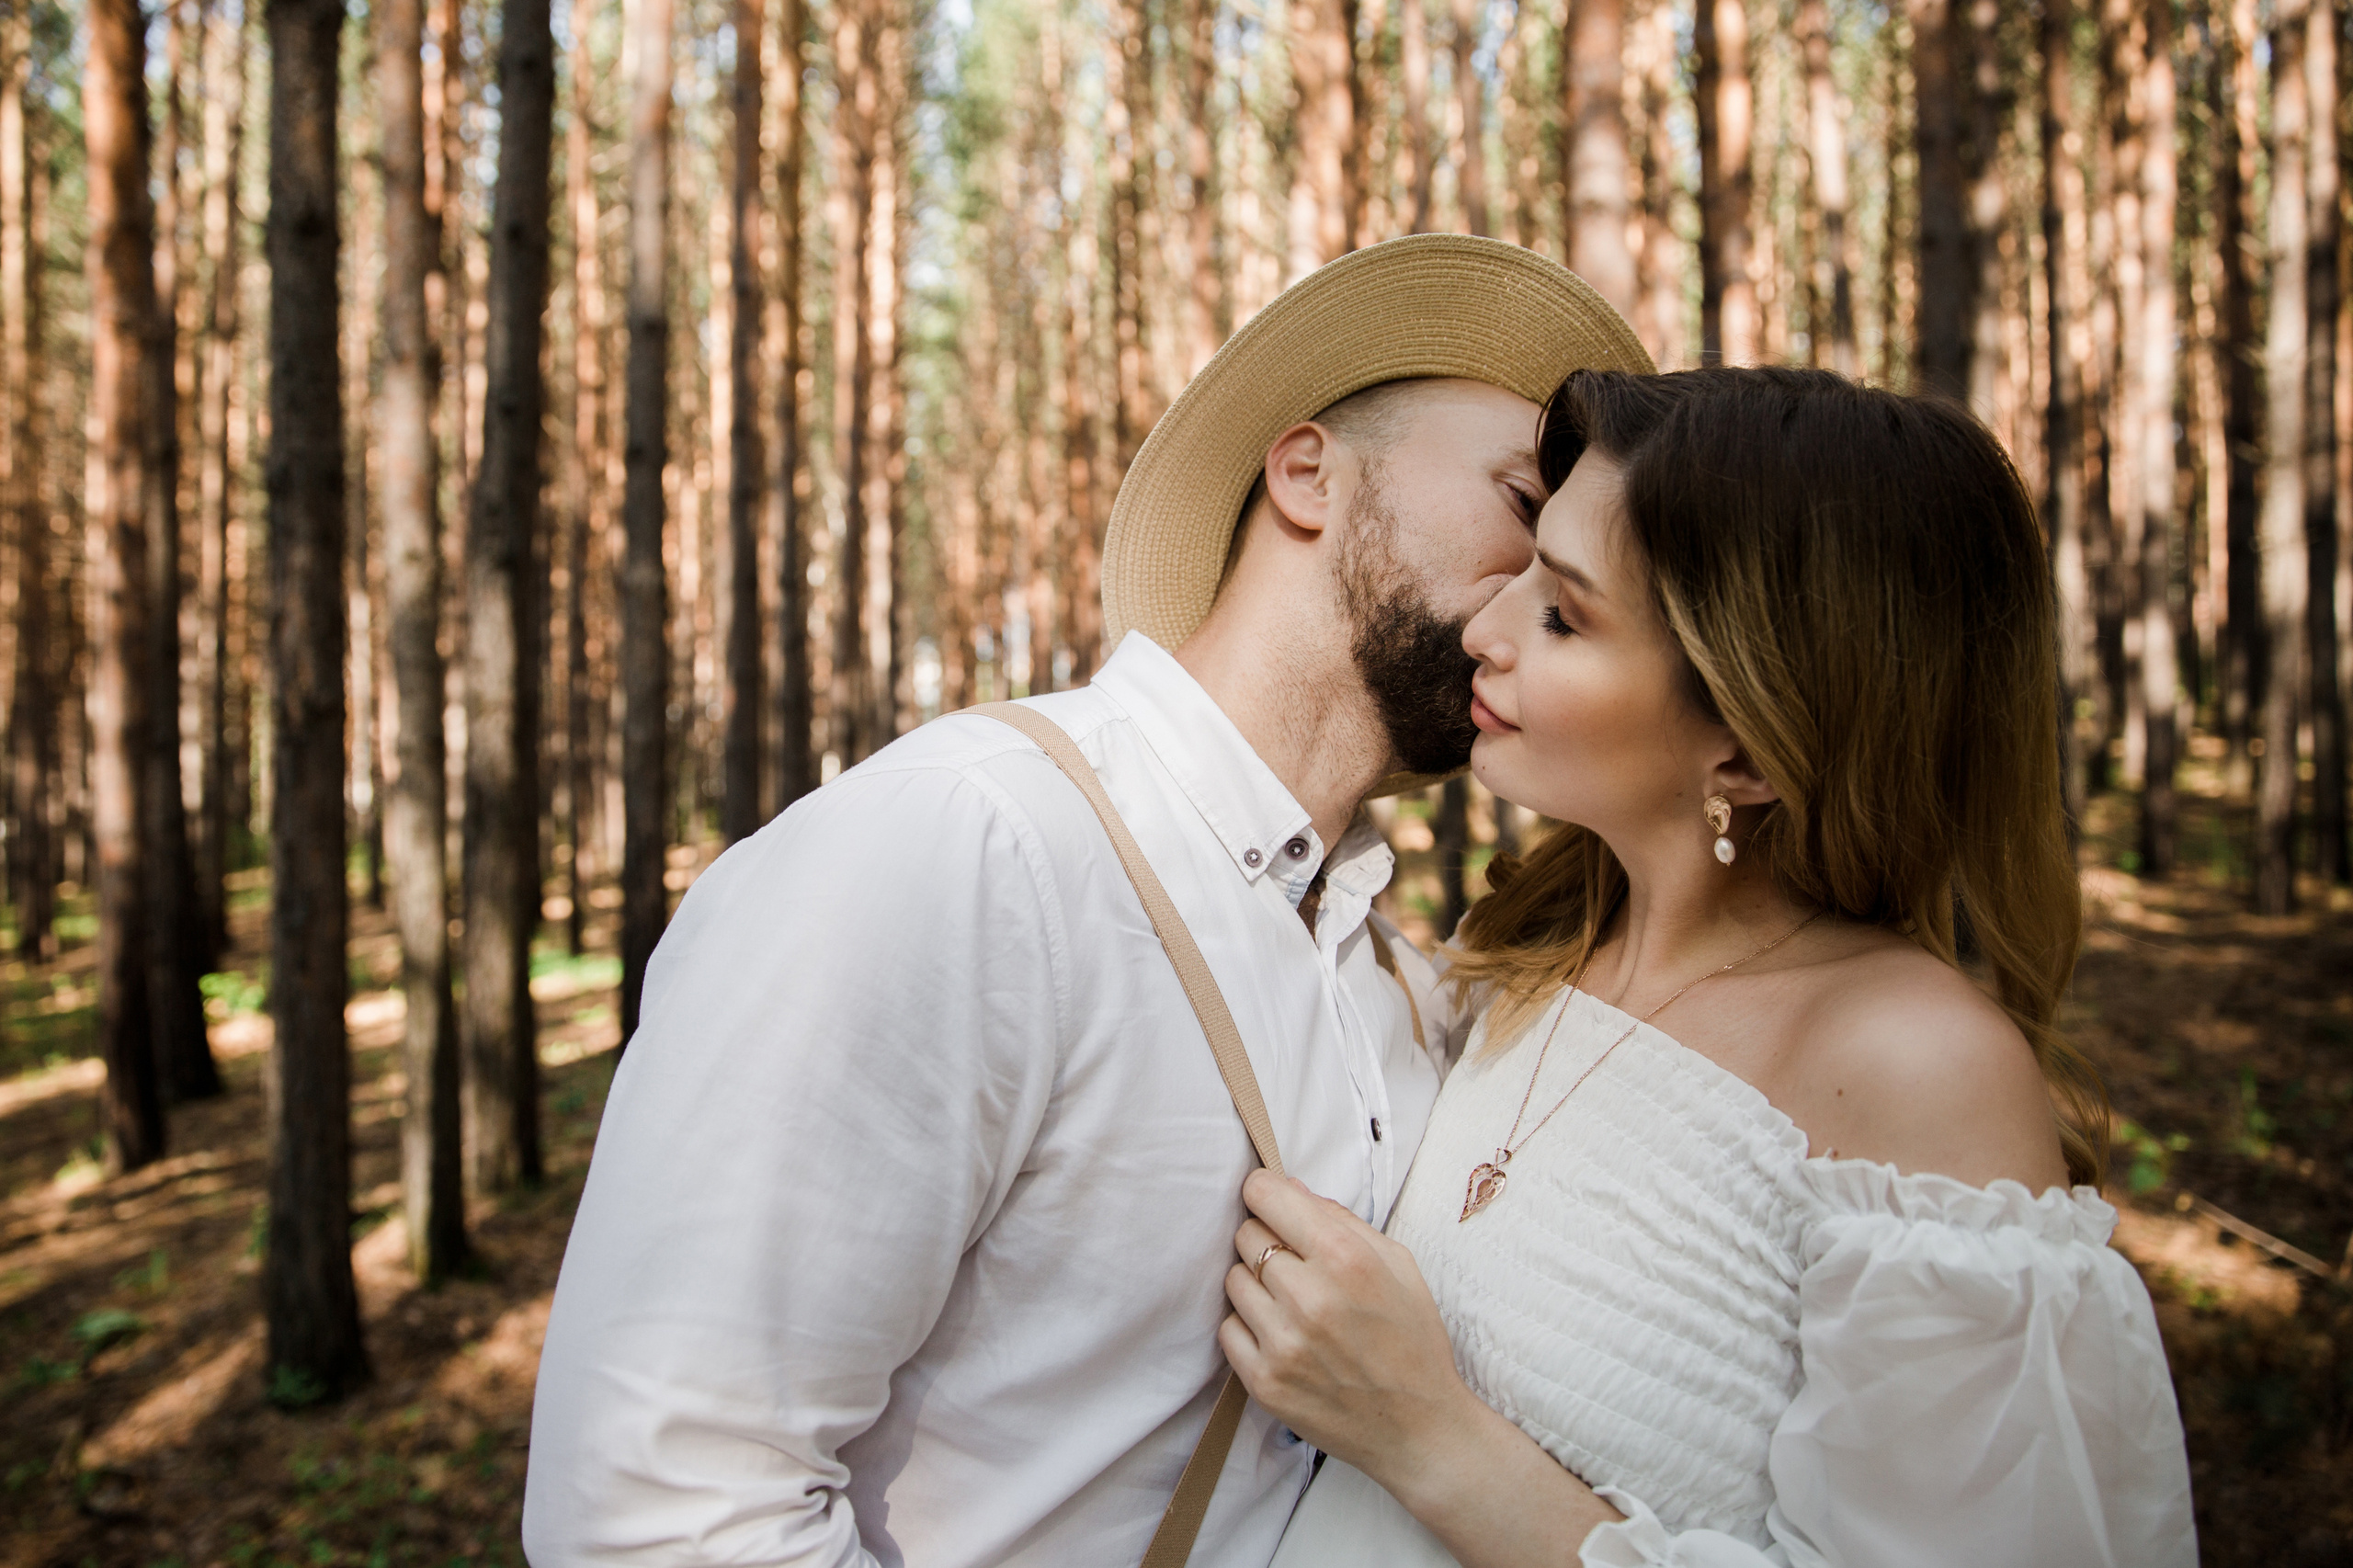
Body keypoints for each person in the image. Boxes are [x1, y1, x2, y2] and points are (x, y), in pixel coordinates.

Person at [519, 234, 1653, 1566]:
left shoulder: (1400, 992)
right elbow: (660, 1503)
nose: (1550, 599)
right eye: (1527, 504)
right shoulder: (967, 844)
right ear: (1305, 476)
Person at [1225, 368, 2197, 1568]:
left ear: (1747, 748)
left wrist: (1431, 1437)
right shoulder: (1530, 960)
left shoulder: (1912, 1065)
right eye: (1525, 567)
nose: (1484, 628)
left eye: (1565, 615)